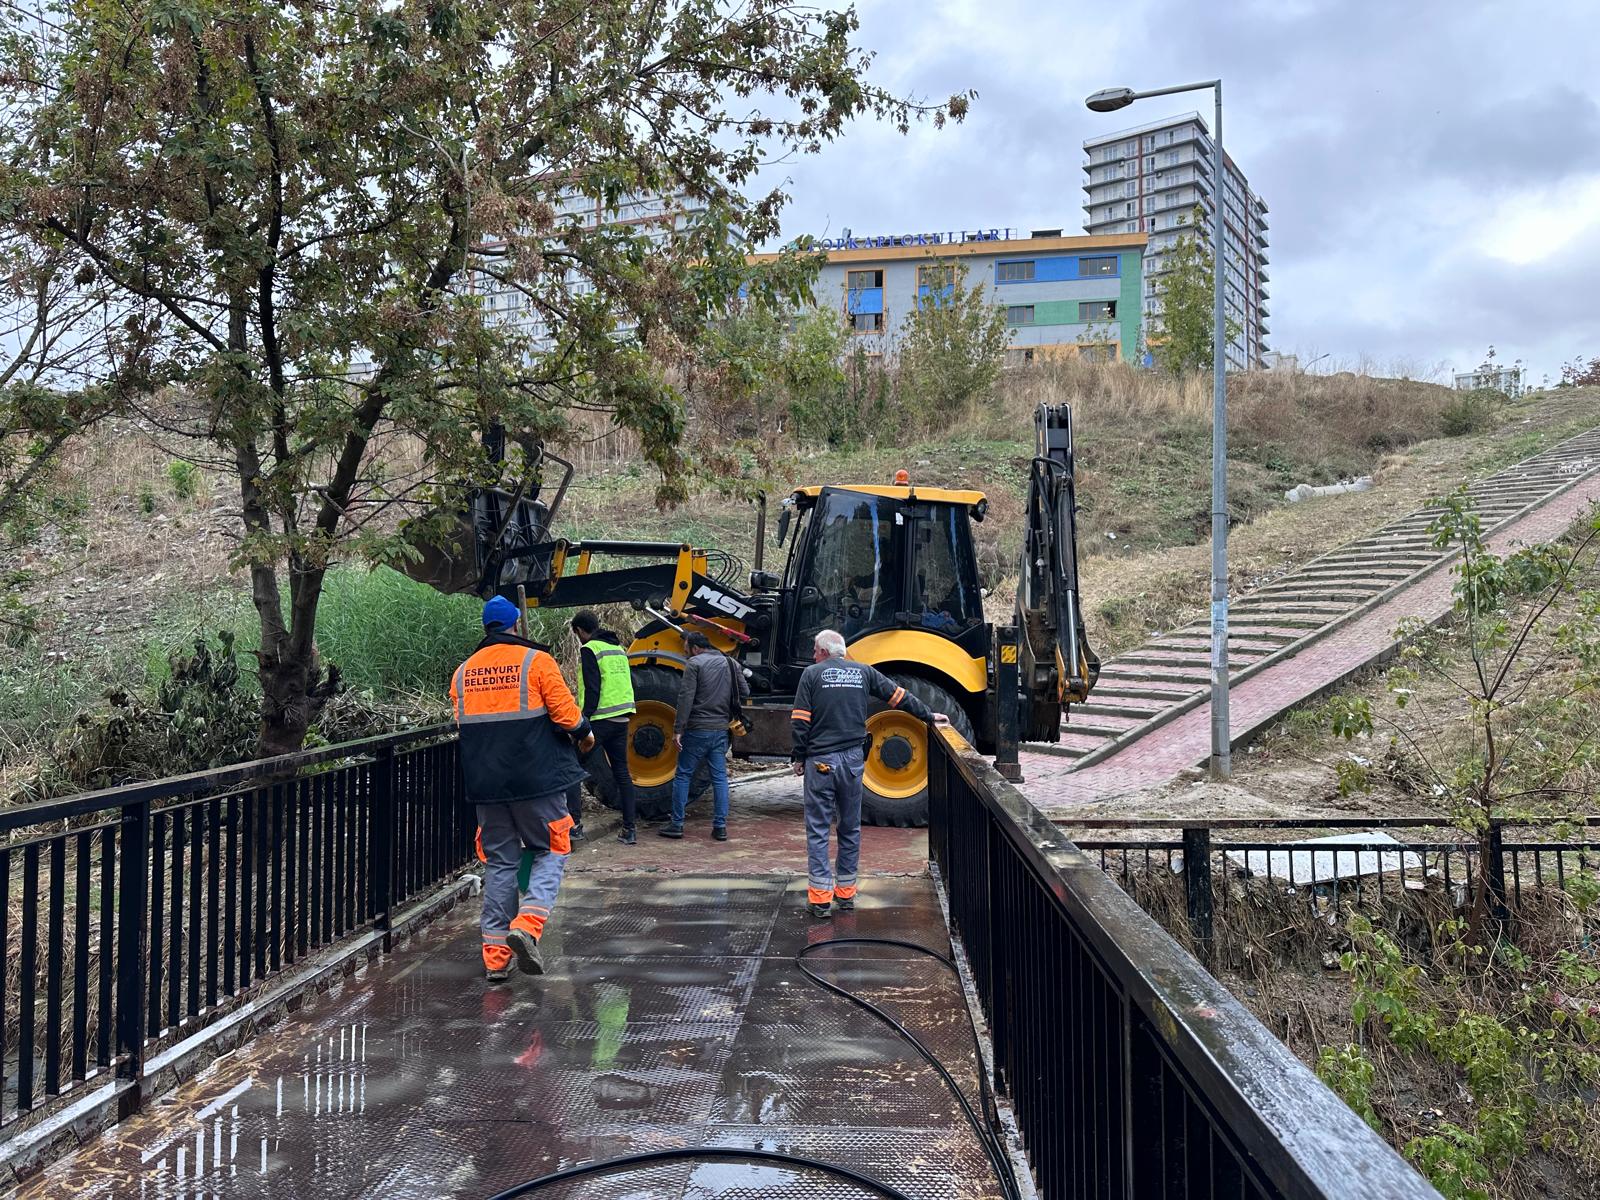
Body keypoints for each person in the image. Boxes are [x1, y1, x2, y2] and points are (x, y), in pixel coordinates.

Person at [451, 595, 593, 983]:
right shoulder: (536, 662)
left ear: (487, 629)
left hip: (486, 786)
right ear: (515, 625)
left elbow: (466, 727)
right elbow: (566, 715)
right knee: (553, 848)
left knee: (500, 862)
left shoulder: (463, 672)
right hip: (536, 780)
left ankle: (496, 959)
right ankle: (527, 926)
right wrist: (585, 735)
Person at [790, 629, 944, 919]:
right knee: (850, 827)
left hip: (821, 761)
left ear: (823, 652)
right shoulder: (864, 672)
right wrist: (928, 714)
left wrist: (799, 756)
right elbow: (899, 696)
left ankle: (821, 899)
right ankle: (846, 893)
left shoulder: (811, 675)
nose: (812, 655)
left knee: (819, 828)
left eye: (814, 649)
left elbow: (800, 721)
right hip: (851, 760)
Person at [661, 630, 748, 841]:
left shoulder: (695, 664)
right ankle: (720, 827)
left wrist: (678, 730)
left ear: (695, 647)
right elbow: (744, 691)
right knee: (719, 778)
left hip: (697, 730)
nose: (686, 654)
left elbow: (685, 698)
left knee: (683, 774)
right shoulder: (730, 663)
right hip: (720, 730)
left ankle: (677, 824)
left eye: (687, 650)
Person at [570, 609, 639, 845]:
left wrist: (583, 722)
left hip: (600, 720)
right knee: (622, 773)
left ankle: (574, 827)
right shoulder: (618, 649)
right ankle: (629, 830)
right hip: (621, 719)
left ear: (579, 630)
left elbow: (593, 688)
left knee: (571, 767)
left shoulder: (590, 649)